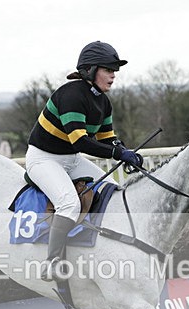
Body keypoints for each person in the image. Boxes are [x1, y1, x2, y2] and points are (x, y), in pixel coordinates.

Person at [26, 40, 143, 281]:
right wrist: (117, 154)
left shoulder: (103, 101)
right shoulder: (71, 95)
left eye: (114, 71)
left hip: (70, 159)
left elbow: (107, 138)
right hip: (43, 159)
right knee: (69, 204)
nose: (113, 76)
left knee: (112, 190)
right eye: (108, 70)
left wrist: (124, 150)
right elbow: (80, 141)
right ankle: (52, 263)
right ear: (91, 70)